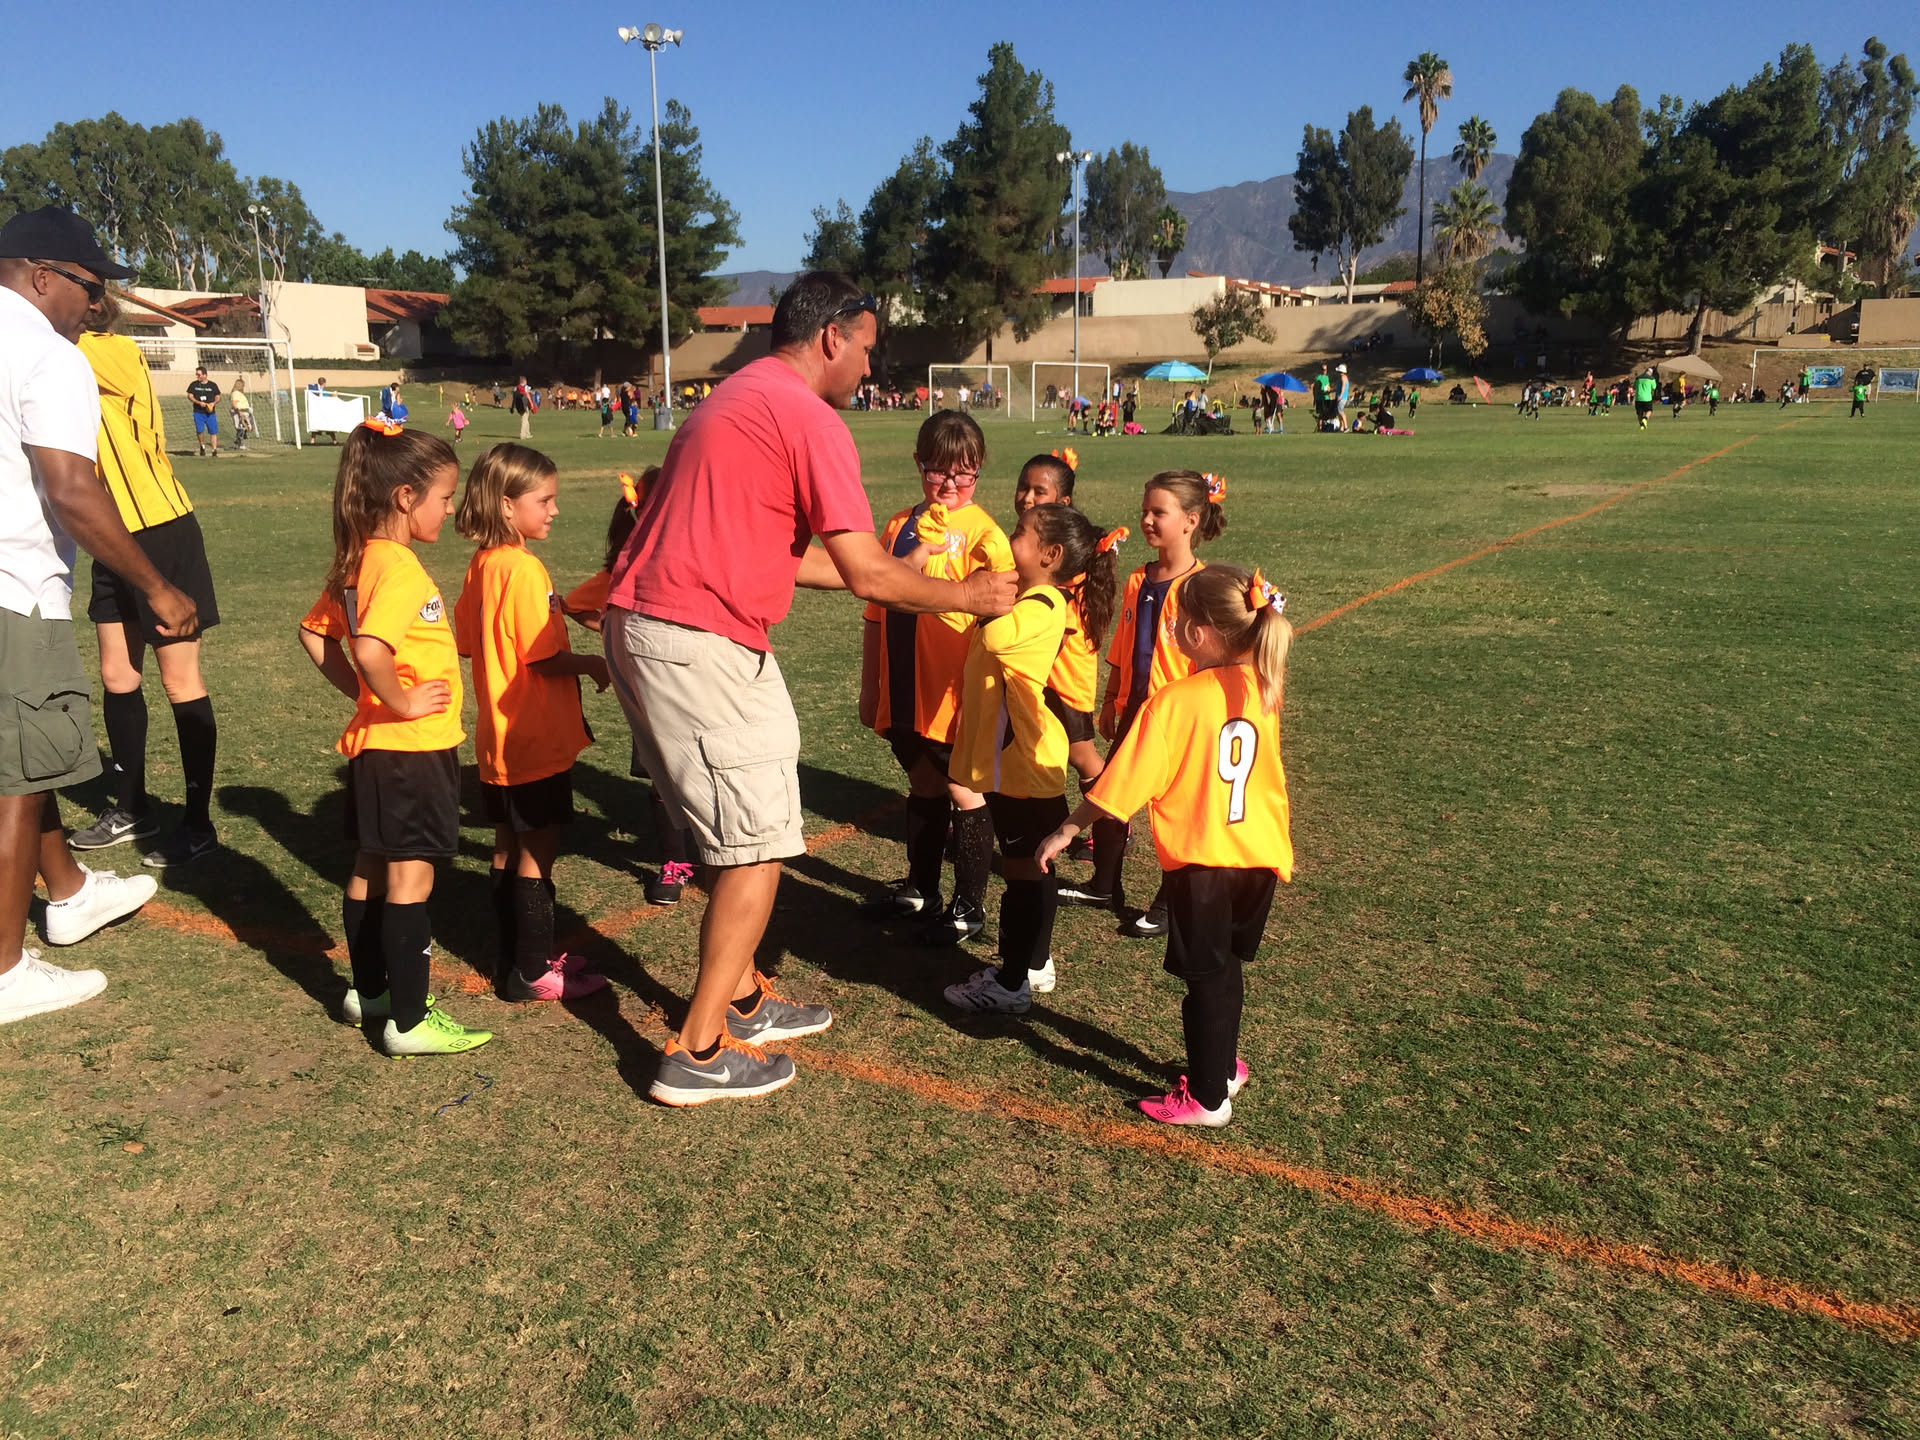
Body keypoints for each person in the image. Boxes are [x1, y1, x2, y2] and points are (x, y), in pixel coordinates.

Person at [601, 271, 1016, 1106]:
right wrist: (966, 595)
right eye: (866, 347)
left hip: (650, 625)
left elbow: (788, 558)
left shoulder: (733, 399)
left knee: (744, 824)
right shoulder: (807, 415)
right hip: (697, 637)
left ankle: (744, 999)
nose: (869, 365)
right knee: (758, 843)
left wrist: (897, 570)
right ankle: (697, 1050)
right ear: (833, 336)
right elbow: (867, 575)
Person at [0, 207, 191, 1026]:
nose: (97, 303)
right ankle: (6, 972)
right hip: (14, 587)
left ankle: (70, 890)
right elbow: (71, 490)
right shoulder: (48, 355)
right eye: (90, 285)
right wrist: (157, 586)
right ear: (43, 275)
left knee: (25, 755)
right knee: (17, 775)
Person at [1035, 564, 1294, 1127]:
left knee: (1203, 981)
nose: (1170, 630)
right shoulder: (1264, 685)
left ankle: (1207, 1098)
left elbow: (1121, 785)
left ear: (1199, 633)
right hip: (1258, 857)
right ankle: (1223, 1067)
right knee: (1225, 968)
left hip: (1205, 863)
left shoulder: (1175, 701)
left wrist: (1068, 828)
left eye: (1176, 621)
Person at [296, 420, 490, 1056]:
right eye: (444, 497)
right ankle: (409, 1022)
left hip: (377, 748)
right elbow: (371, 647)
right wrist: (398, 700)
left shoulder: (359, 560)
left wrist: (366, 697)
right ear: (406, 497)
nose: (450, 509)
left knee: (370, 867)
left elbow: (314, 635)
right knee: (412, 881)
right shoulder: (399, 569)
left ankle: (370, 992)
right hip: (412, 750)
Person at [942, 503, 1121, 1013]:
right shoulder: (1031, 598)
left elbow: (998, 637)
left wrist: (994, 589)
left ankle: (1013, 982)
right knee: (1027, 870)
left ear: (1050, 554)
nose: (1009, 537)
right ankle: (1026, 969)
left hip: (1025, 764)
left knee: (1027, 873)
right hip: (1015, 762)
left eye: (1019, 533)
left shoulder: (1043, 603)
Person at [452, 443, 612, 1003]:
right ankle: (534, 970)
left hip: (498, 738)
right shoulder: (522, 569)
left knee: (506, 845)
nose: (554, 510)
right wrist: (593, 663)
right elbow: (541, 657)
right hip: (533, 736)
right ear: (506, 504)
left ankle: (513, 958)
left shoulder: (481, 564)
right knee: (537, 851)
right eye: (544, 500)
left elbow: (467, 643)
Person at [68, 293, 223, 868]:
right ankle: (132, 807)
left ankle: (198, 823)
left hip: (159, 528)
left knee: (179, 679)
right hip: (106, 532)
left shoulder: (112, 350)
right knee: (117, 674)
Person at [857, 410, 1012, 945]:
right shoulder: (899, 525)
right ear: (918, 464)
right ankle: (922, 888)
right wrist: (870, 684)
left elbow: (1004, 621)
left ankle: (970, 907)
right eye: (938, 470)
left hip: (953, 691)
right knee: (922, 782)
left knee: (962, 788)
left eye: (963, 472)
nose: (949, 483)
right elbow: (875, 609)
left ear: (979, 469)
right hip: (904, 686)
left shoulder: (985, 534)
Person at [1062, 470, 1223, 938]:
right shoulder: (1138, 578)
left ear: (1191, 520)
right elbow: (1124, 644)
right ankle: (1103, 885)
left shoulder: (1202, 585)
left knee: (1177, 812)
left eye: (1159, 512)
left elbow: (1209, 660)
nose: (1147, 520)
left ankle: (1169, 903)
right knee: (1113, 794)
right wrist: (1111, 699)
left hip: (1178, 720)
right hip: (1136, 710)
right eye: (1144, 511)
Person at [563, 470, 693, 906]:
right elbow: (576, 604)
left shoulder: (691, 555)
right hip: (651, 692)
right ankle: (675, 862)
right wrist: (613, 632)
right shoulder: (625, 568)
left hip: (699, 685)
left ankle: (720, 855)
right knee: (663, 779)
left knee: (707, 772)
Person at [186, 364, 220, 457]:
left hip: (210, 413)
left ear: (205, 375)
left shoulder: (212, 385)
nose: (197, 376)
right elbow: (190, 396)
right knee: (200, 430)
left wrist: (213, 403)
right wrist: (198, 402)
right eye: (196, 374)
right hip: (198, 412)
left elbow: (218, 397)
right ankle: (202, 446)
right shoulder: (194, 384)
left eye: (199, 374)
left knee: (213, 432)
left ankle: (214, 450)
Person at [228, 376, 254, 451]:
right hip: (240, 412)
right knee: (241, 427)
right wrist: (239, 412)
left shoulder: (239, 393)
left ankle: (238, 441)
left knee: (247, 427)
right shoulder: (236, 393)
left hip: (244, 412)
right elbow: (234, 403)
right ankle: (240, 444)